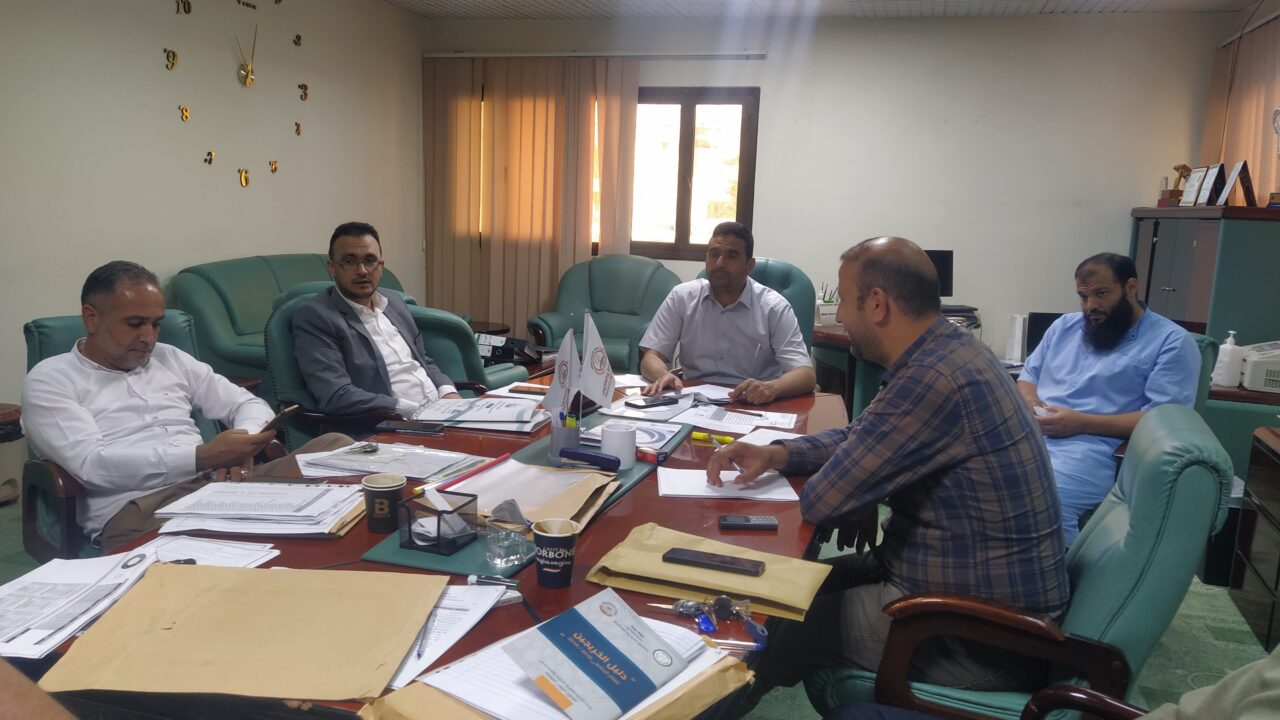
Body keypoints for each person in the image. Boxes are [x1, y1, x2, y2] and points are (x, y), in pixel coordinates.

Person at [707, 237, 1068, 708]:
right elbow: (860, 436)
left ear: (877, 304)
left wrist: (860, 490)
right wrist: (777, 454)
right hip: (944, 583)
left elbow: (823, 501)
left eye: (843, 301)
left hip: (980, 635)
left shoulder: (933, 378)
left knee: (771, 627)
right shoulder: (948, 352)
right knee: (785, 586)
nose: (840, 317)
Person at [21, 262, 351, 552]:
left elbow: (245, 402)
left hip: (218, 486)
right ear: (91, 318)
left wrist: (242, 442)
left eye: (156, 324)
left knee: (338, 446)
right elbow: (92, 466)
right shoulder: (51, 379)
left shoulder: (169, 358)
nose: (149, 337)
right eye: (135, 324)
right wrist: (203, 457)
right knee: (252, 542)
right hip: (141, 508)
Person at [1018, 253, 1201, 545]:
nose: (1090, 305)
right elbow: (1028, 377)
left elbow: (1164, 421)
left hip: (1094, 448)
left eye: (1101, 294)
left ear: (1131, 288)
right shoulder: (1064, 327)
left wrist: (1081, 423)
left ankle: (1055, 572)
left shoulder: (1172, 342)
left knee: (1042, 502)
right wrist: (1030, 404)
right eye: (1083, 296)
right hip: (1031, 435)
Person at [292, 221, 461, 417]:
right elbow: (336, 395)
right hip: (388, 424)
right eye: (349, 261)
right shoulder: (317, 317)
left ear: (381, 266)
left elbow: (423, 360)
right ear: (332, 267)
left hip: (439, 413)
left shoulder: (394, 302)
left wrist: (448, 392)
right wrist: (412, 410)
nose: (362, 270)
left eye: (370, 260)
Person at [638, 222, 816, 405]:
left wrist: (773, 387)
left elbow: (806, 374)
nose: (719, 263)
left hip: (753, 403)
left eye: (731, 256)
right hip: (692, 400)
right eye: (713, 254)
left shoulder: (774, 307)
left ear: (749, 266)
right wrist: (663, 375)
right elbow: (650, 357)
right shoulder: (682, 297)